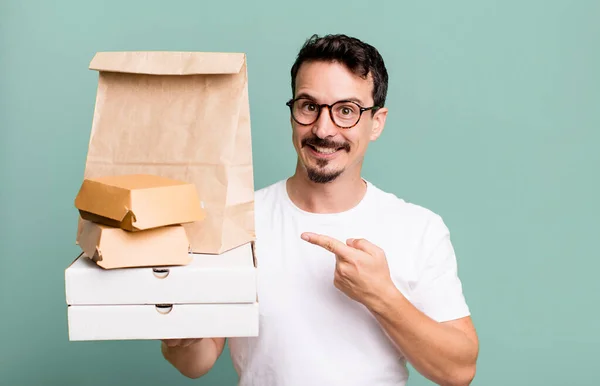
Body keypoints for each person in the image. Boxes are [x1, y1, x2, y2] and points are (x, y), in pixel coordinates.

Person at [161, 34, 479, 386]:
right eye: (309, 106)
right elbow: (198, 360)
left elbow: (459, 371)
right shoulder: (238, 220)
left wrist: (383, 297)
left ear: (376, 122)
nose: (323, 129)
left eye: (346, 110)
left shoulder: (419, 229)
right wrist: (181, 338)